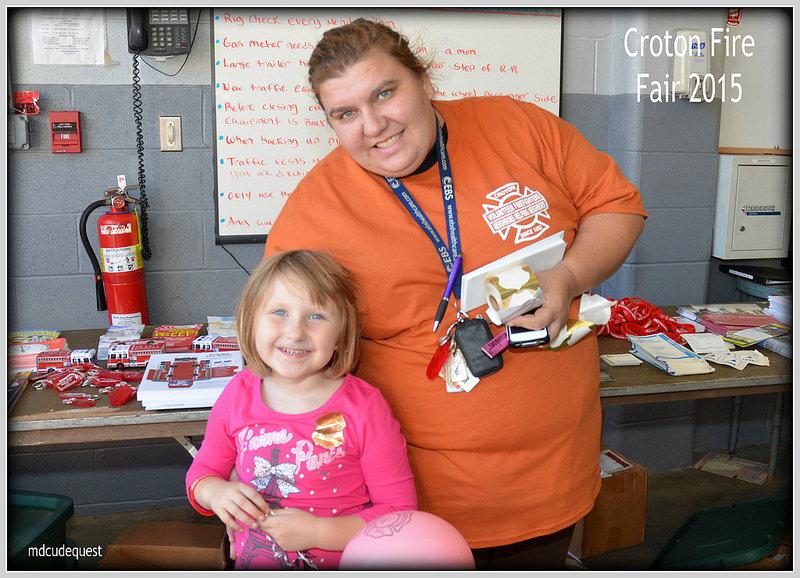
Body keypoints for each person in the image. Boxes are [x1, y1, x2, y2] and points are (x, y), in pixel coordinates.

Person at [264, 19, 647, 570]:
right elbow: (285, 347)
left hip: (550, 479)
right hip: (404, 505)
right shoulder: (314, 211)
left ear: (423, 79)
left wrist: (568, 277)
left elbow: (617, 205)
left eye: (385, 93)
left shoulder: (518, 126)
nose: (373, 125)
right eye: (345, 114)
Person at [185, 250, 417, 570]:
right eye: (279, 312)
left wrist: (318, 532)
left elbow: (399, 514)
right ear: (251, 321)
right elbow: (201, 474)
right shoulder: (237, 396)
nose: (295, 332)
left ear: (341, 335)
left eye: (317, 316)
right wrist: (217, 493)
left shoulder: (365, 408)